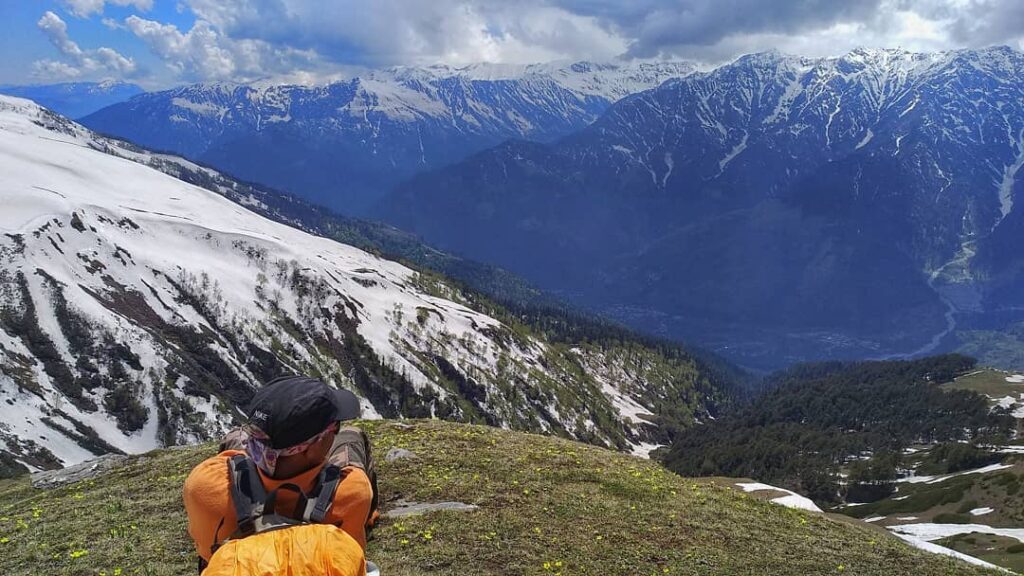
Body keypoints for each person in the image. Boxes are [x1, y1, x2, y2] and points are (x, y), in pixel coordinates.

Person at [183, 375, 378, 569]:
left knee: (234, 437)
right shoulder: (351, 490)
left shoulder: (203, 483)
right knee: (352, 436)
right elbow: (350, 554)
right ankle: (370, 517)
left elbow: (204, 549)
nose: (337, 430)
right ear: (312, 447)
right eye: (335, 428)